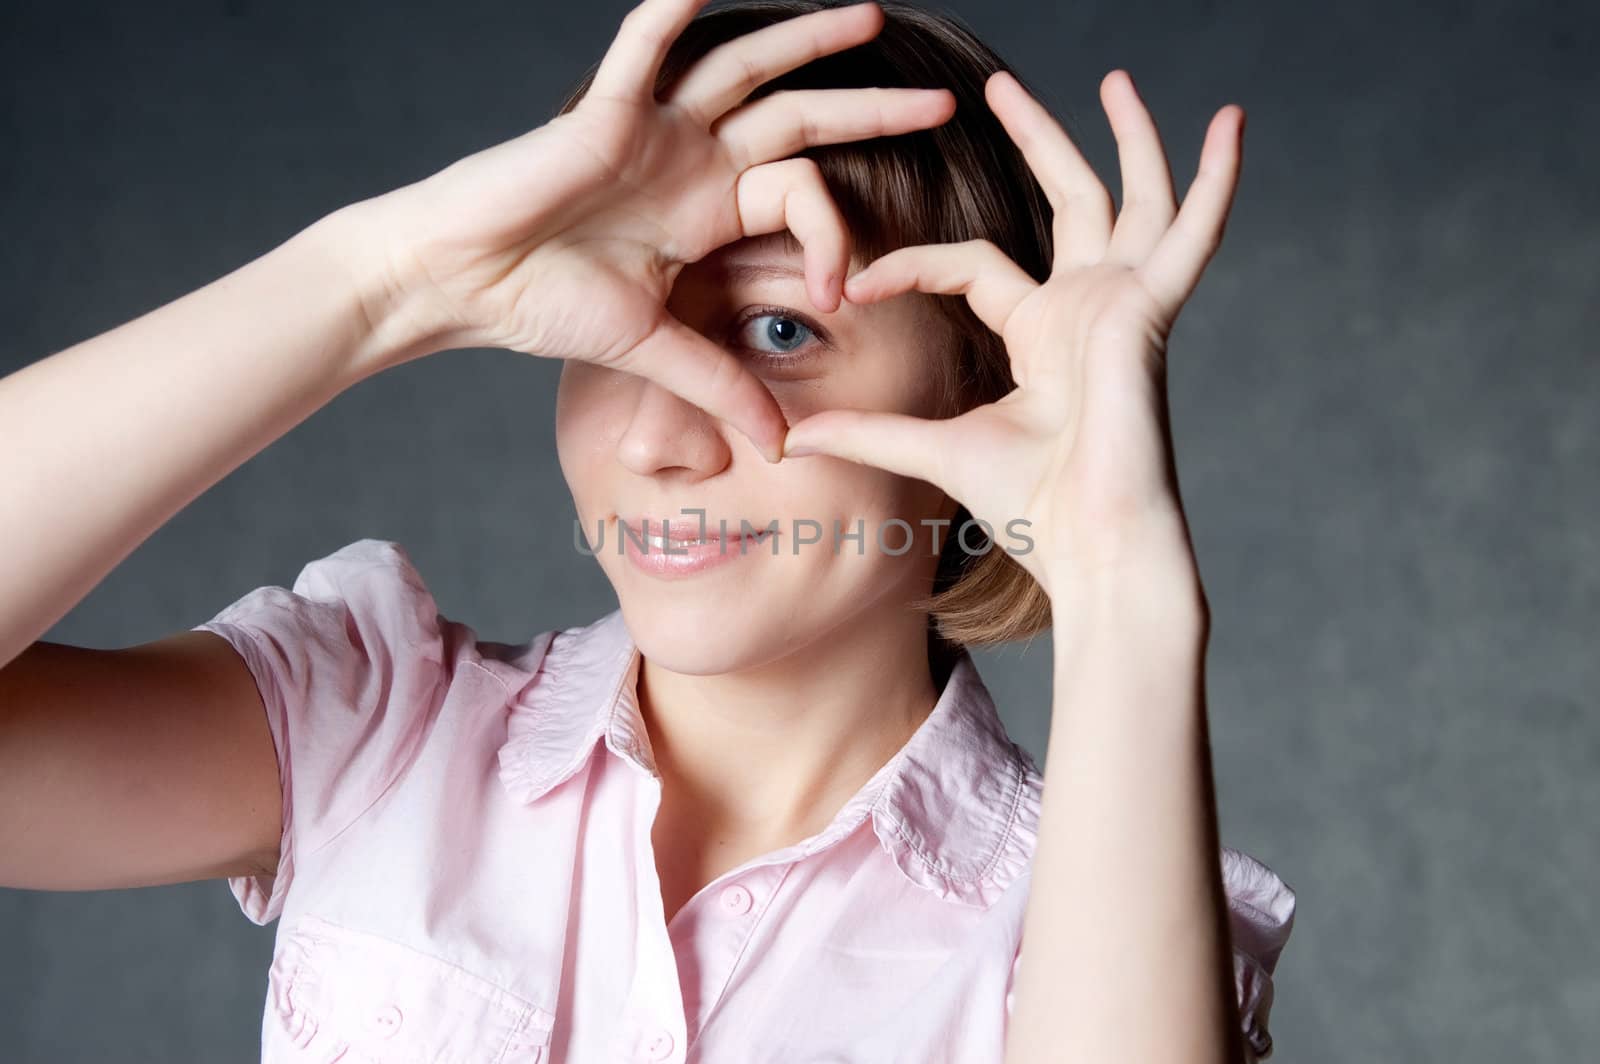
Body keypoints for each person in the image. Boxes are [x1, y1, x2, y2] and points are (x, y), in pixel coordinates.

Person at [0, 0, 1296, 1060]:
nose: (656, 439)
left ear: (985, 399)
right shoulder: (372, 728)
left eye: (781, 330)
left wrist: (1120, 574)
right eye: (621, 329)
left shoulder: (1105, 913)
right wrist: (384, 284)